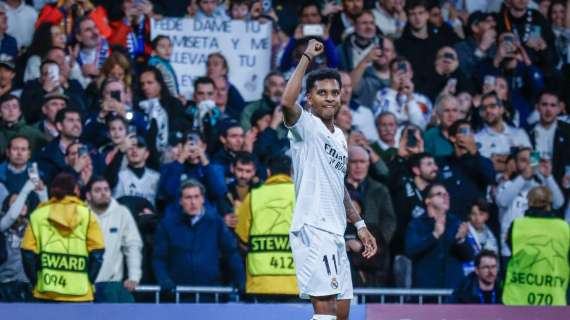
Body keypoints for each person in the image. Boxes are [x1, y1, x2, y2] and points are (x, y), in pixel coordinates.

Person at [281, 39, 377, 320]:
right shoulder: (305, 126)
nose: (330, 97)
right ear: (309, 98)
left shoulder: (340, 138)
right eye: (321, 93)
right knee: (326, 315)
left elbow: (339, 187)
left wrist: (359, 225)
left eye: (334, 92)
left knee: (342, 314)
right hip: (314, 228)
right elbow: (287, 101)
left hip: (335, 232)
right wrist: (306, 57)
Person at [20, 172, 105, 302]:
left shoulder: (38, 215)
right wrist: (88, 281)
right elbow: (97, 253)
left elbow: (27, 253)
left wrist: (36, 282)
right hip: (80, 293)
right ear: (75, 189)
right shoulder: (87, 215)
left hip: (46, 292)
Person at [153, 179, 244, 293]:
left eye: (196, 197)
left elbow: (231, 253)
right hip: (178, 295)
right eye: (188, 198)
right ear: (180, 201)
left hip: (211, 294)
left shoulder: (216, 223)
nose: (193, 202)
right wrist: (164, 279)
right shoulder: (167, 225)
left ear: (203, 199)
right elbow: (159, 258)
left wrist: (240, 279)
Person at [235, 155, 298, 296]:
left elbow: (242, 237)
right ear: (292, 172)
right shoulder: (304, 197)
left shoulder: (253, 197)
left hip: (260, 284)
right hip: (297, 283)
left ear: (268, 172)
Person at [503, 186, 570, 306]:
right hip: (553, 296)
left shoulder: (517, 225)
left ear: (529, 202)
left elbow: (510, 247)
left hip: (519, 298)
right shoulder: (564, 228)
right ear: (549, 204)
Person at [405, 183, 475, 289]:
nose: (445, 197)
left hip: (452, 292)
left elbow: (470, 256)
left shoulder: (456, 223)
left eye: (446, 194)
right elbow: (410, 250)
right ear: (428, 200)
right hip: (426, 292)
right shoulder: (416, 224)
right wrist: (434, 235)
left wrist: (461, 240)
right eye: (439, 194)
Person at [86, 177, 143, 303]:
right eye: (98, 190)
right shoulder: (80, 214)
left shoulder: (122, 212)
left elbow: (133, 245)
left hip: (111, 285)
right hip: (84, 286)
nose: (103, 193)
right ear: (88, 195)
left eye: (106, 189)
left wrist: (134, 276)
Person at [345, 145, 396, 286]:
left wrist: (375, 243)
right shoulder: (336, 187)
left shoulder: (380, 189)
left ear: (368, 164)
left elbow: (389, 221)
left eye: (362, 162)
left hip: (372, 258)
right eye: (354, 162)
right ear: (346, 163)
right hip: (343, 250)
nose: (358, 166)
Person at [0, 177, 47, 302]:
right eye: (15, 203)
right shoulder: (3, 224)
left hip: (29, 284)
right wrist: (25, 190)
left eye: (23, 202)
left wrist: (42, 193)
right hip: (5, 284)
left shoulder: (31, 226)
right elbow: (11, 216)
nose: (21, 205)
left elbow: (47, 217)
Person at [438, 119, 495, 220]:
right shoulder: (441, 162)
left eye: (471, 132)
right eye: (464, 131)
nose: (468, 135)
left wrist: (475, 153)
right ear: (452, 138)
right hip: (449, 221)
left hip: (474, 221)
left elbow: (490, 178)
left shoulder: (482, 161)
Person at [372, 57, 433, 130]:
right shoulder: (381, 95)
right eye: (396, 71)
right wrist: (393, 90)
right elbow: (384, 124)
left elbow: (420, 126)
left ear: (411, 74)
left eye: (404, 71)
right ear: (390, 75)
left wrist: (410, 97)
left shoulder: (422, 99)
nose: (401, 75)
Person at [528, 90, 570, 189]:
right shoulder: (528, 133)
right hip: (535, 185)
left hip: (562, 184)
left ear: (559, 108)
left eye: (552, 105)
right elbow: (532, 162)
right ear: (537, 107)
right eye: (544, 104)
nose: (548, 109)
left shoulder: (567, 131)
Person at [475, 92, 532, 163]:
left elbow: (534, 160)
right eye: (484, 108)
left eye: (492, 106)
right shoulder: (477, 138)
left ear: (501, 109)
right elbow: (484, 167)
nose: (488, 110)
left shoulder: (519, 133)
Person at [350, 36, 396, 109]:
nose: (382, 53)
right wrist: (366, 59)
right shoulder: (363, 71)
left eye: (387, 50)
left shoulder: (397, 76)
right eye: (379, 49)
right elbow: (350, 88)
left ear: (394, 55)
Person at [113, 136, 160, 207]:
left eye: (139, 147)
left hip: (150, 217)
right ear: (125, 153)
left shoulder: (156, 177)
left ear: (147, 154)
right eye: (130, 147)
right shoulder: (118, 176)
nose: (134, 150)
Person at [453, 11, 497, 79]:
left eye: (494, 21)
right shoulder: (461, 47)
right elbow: (465, 73)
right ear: (475, 27)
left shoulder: (494, 47)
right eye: (488, 21)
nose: (493, 24)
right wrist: (481, 49)